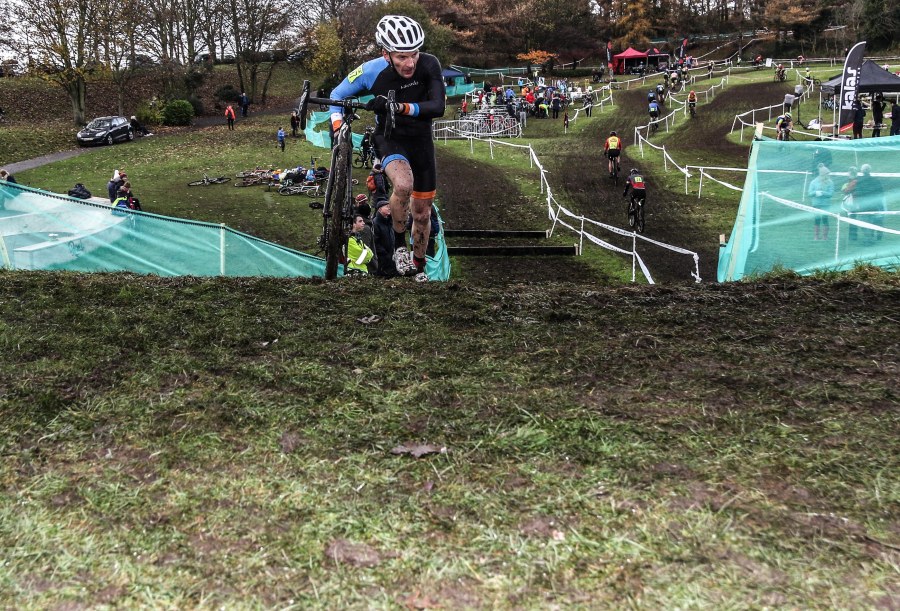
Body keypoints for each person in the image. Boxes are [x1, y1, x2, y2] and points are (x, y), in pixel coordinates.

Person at [329, 15, 446, 280]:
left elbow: (438, 106)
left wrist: (398, 106)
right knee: (403, 185)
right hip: (390, 137)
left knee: (423, 214)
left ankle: (419, 266)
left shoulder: (429, 64)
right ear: (386, 54)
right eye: (402, 57)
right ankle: (399, 247)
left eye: (414, 54)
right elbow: (336, 95)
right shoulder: (371, 71)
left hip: (421, 140)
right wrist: (337, 125)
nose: (410, 63)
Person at [854, 164, 886, 241]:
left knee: (864, 221)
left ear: (861, 171)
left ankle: (869, 237)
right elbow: (881, 192)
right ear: (870, 170)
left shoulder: (859, 181)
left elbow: (857, 194)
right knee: (874, 220)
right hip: (874, 204)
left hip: (863, 205)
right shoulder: (876, 180)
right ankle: (875, 235)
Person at [807, 165, 834, 240]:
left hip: (825, 204)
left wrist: (822, 193)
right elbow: (809, 193)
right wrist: (815, 192)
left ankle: (825, 237)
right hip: (816, 204)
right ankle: (816, 236)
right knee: (817, 220)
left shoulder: (830, 183)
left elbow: (830, 194)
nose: (828, 175)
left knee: (825, 219)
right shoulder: (814, 182)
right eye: (827, 174)